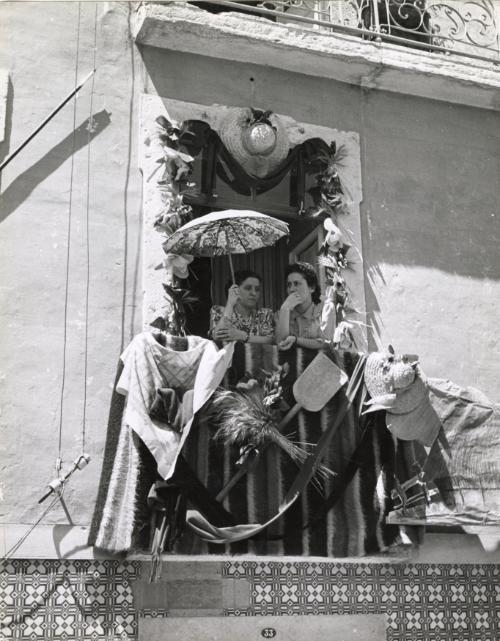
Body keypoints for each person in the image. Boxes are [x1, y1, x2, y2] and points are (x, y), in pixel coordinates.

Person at [276, 261, 335, 351]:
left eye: (297, 284)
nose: (291, 289)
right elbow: (282, 345)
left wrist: (296, 340)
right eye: (289, 285)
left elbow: (326, 343)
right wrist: (285, 309)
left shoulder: (325, 307)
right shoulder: (282, 313)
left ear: (312, 287)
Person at [210, 269, 274, 344]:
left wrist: (242, 336)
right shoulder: (218, 311)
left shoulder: (264, 314)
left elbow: (270, 341)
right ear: (234, 290)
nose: (253, 293)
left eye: (257, 289)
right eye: (248, 288)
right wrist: (230, 304)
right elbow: (218, 336)